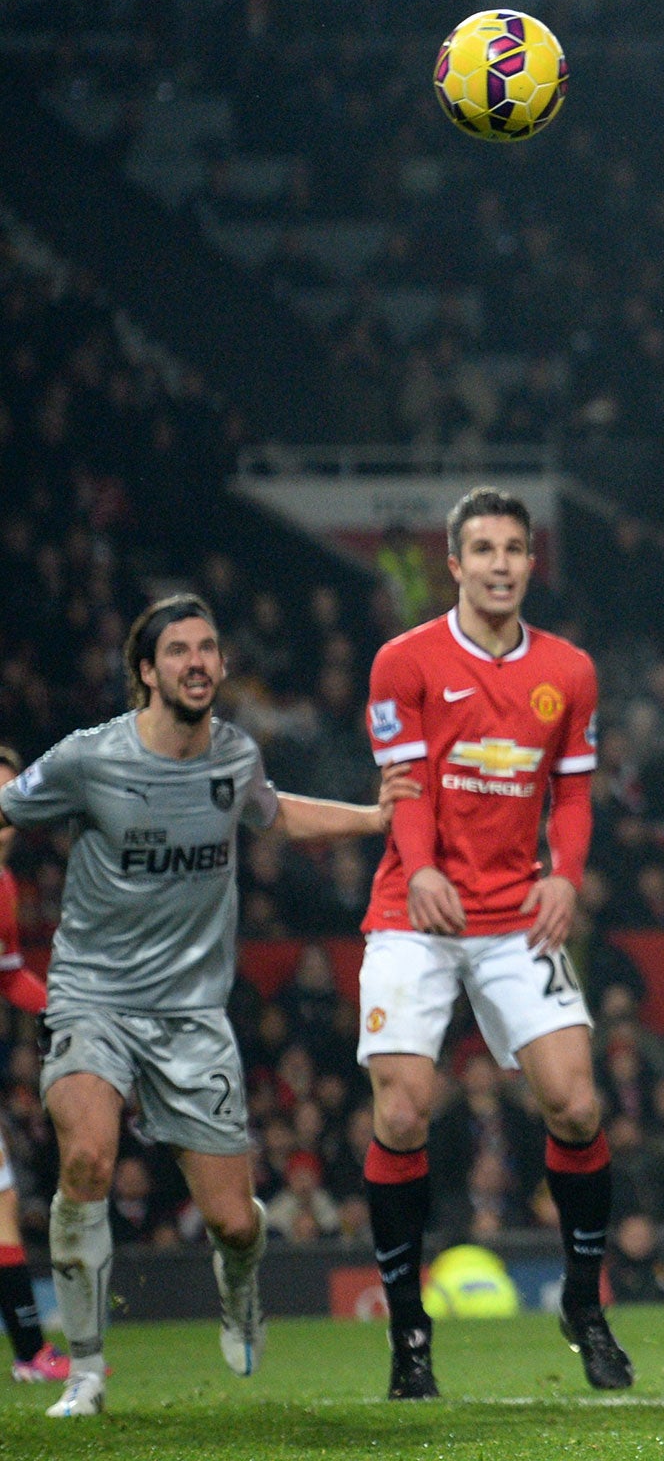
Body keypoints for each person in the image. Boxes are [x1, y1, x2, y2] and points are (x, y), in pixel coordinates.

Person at [0, 598, 415, 1418]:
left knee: (232, 1221)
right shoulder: (90, 759)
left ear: (221, 667)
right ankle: (83, 1370)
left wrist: (373, 817)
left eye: (209, 649)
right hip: (95, 997)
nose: (197, 661)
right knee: (86, 1157)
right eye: (178, 650)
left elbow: (274, 813)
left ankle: (240, 1281)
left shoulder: (234, 756)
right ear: (146, 672)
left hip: (192, 1017)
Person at [356, 486, 628, 1400]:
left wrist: (565, 876)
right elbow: (406, 787)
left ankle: (584, 1306)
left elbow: (577, 794)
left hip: (519, 914)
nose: (502, 563)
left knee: (577, 1106)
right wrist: (422, 867)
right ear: (456, 562)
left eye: (515, 548)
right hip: (414, 910)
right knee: (400, 1115)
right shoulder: (405, 661)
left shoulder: (571, 671)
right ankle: (409, 1336)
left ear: (529, 561)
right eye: (485, 549)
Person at [0, 746, 68, 1384]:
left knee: (4, 1204)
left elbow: (11, 975)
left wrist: (63, 1007)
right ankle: (29, 1352)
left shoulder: (4, 882)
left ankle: (29, 1353)